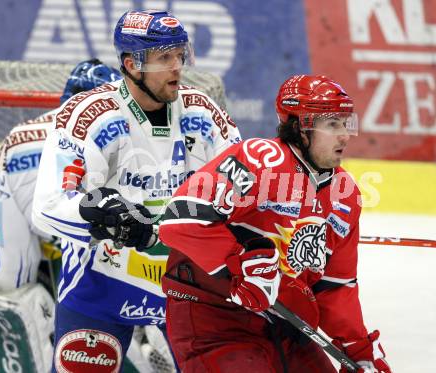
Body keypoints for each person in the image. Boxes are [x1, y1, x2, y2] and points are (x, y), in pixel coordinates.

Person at [32, 9, 241, 373]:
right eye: (164, 58)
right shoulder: (89, 114)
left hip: (185, 283)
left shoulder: (202, 111)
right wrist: (97, 214)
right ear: (131, 64)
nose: (177, 67)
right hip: (102, 281)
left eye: (180, 55)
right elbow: (48, 204)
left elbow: (244, 180)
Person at [159, 75, 392, 372]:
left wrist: (359, 349)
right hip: (217, 319)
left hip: (287, 326)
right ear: (300, 127)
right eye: (332, 125)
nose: (344, 135)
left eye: (346, 123)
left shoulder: (344, 195)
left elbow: (335, 286)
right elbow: (180, 219)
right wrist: (239, 265)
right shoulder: (258, 160)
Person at [0, 59, 121, 372]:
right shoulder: (125, 134)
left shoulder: (17, 138)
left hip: (44, 240)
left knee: (10, 285)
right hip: (111, 262)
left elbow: (8, 268)